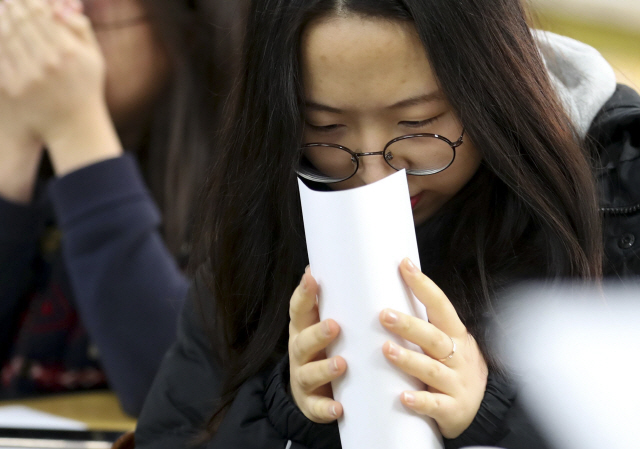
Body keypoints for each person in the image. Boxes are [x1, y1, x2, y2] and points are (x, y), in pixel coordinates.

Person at [135, 0, 640, 447]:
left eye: (418, 123)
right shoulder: (271, 196)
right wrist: (286, 412)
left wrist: (497, 412)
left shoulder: (620, 186)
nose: (376, 175)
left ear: (494, 90)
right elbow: (175, 429)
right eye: (326, 128)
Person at [0, 0, 244, 415]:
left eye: (84, 19)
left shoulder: (253, 186)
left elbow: (185, 397)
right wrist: (11, 145)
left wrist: (76, 127)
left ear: (188, 21)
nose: (38, 21)